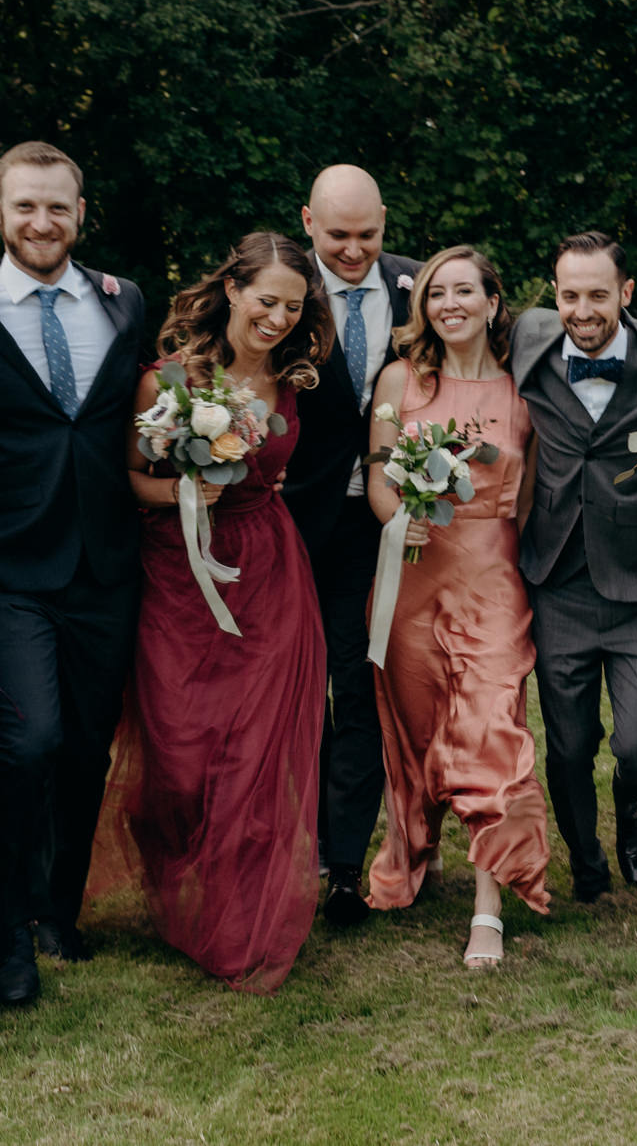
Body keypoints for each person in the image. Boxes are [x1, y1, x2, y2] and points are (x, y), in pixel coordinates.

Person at [0, 142, 146, 1005]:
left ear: (81, 213)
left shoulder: (124, 302)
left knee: (88, 744)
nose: (43, 222)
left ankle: (61, 909)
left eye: (58, 207)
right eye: (26, 206)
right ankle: (10, 935)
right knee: (29, 741)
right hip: (6, 565)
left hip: (106, 563)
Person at [86, 233, 331, 991]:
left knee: (256, 752)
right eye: (267, 300)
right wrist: (186, 492)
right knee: (183, 753)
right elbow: (128, 475)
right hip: (176, 573)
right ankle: (178, 878)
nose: (278, 317)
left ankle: (245, 920)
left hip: (266, 570)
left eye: (293, 306)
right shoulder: (166, 378)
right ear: (231, 290)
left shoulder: (295, 378)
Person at [367, 246, 551, 966]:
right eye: (437, 292)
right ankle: (420, 849)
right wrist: (394, 515)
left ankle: (488, 905)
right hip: (411, 575)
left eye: (464, 291)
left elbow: (529, 495)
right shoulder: (399, 380)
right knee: (416, 728)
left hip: (493, 579)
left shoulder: (520, 392)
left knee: (488, 725)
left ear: (491, 302)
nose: (450, 304)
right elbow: (379, 472)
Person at [512, 232, 637, 901]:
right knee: (566, 743)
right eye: (569, 295)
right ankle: (585, 858)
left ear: (626, 292)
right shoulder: (527, 338)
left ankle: (634, 804)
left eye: (597, 294)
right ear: (553, 295)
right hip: (558, 576)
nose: (582, 309)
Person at [283, 165, 419, 924]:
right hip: (294, 523)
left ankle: (341, 864)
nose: (354, 250)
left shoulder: (418, 288)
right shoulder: (280, 286)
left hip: (386, 528)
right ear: (308, 221)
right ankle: (289, 849)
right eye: (338, 236)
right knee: (297, 695)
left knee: (362, 691)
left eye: (368, 234)